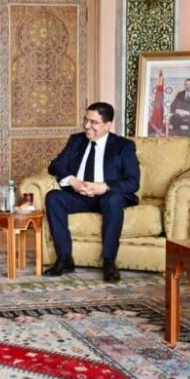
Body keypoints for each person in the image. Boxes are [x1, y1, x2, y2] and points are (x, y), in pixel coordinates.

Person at [44, 102, 140, 282]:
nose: (87, 126)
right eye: (85, 120)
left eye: (94, 122)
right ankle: (65, 258)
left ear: (108, 125)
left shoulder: (123, 146)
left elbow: (133, 182)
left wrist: (104, 186)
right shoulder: (76, 140)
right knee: (53, 197)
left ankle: (109, 261)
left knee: (113, 199)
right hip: (79, 196)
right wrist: (73, 181)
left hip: (107, 196)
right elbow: (55, 165)